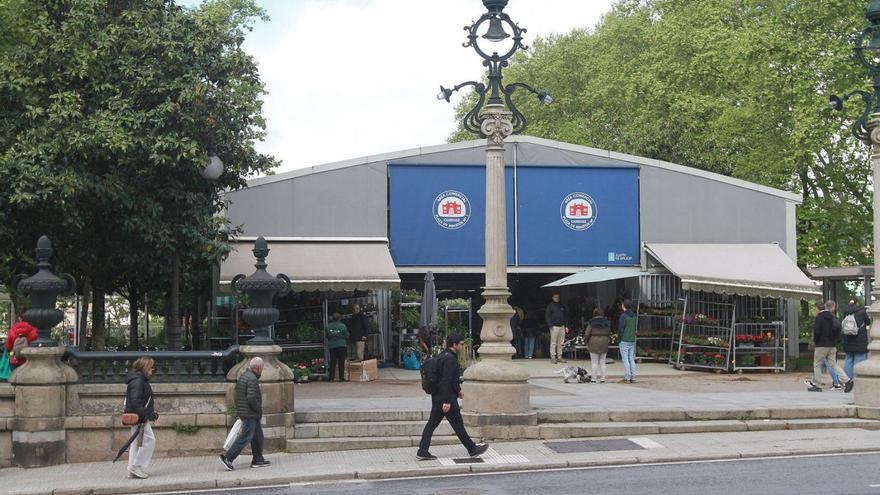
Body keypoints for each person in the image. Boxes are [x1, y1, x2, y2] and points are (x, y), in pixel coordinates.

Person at [416, 334, 489, 461]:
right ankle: (472, 449)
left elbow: (448, 379)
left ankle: (422, 451)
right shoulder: (450, 360)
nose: (463, 346)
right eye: (461, 344)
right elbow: (446, 381)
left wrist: (458, 390)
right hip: (446, 398)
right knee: (457, 425)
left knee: (432, 424)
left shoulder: (443, 356)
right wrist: (447, 401)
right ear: (454, 345)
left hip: (439, 396)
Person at [220, 357, 270, 470]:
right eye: (262, 368)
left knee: (258, 437)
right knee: (245, 437)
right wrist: (258, 409)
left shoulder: (245, 376)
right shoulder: (252, 379)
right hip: (250, 414)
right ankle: (228, 457)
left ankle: (258, 459)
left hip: (248, 413)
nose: (262, 370)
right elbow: (251, 398)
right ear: (258, 368)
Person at [124, 357, 159, 479]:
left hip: (139, 415)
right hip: (139, 416)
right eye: (151, 367)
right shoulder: (138, 381)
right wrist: (148, 415)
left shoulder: (138, 380)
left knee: (135, 443)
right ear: (145, 368)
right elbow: (136, 402)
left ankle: (131, 469)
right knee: (150, 441)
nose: (152, 370)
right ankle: (136, 466)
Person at [808, 301, 853, 393]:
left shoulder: (819, 318)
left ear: (818, 308)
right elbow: (838, 328)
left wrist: (816, 342)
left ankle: (818, 385)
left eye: (815, 309)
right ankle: (847, 380)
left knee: (817, 364)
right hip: (832, 345)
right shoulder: (832, 316)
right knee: (833, 364)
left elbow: (816, 332)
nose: (815, 311)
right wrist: (835, 340)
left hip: (821, 345)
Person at [843, 298, 871, 380]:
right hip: (860, 339)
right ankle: (857, 379)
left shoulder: (845, 311)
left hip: (848, 338)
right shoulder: (862, 311)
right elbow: (868, 322)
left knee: (848, 359)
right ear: (857, 303)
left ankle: (848, 380)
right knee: (859, 358)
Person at [584, 308, 611, 383]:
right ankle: (603, 378)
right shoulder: (607, 322)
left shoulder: (591, 322)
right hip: (604, 342)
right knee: (602, 362)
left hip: (593, 343)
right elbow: (609, 332)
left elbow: (587, 334)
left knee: (594, 362)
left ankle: (594, 378)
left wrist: (585, 341)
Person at [618, 299, 637, 383]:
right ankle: (633, 377)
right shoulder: (634, 316)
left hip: (624, 340)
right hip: (632, 340)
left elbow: (621, 329)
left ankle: (627, 377)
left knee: (625, 359)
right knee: (631, 359)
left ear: (624, 306)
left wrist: (619, 339)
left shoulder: (623, 316)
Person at [326, 313, 349, 381]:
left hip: (332, 345)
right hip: (342, 345)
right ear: (339, 318)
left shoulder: (328, 326)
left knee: (333, 361)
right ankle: (341, 378)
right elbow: (347, 335)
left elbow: (327, 336)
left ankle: (331, 378)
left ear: (332, 318)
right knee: (341, 362)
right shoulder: (343, 326)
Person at [545, 293, 567, 364]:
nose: (557, 298)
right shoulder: (550, 306)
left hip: (562, 326)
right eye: (555, 297)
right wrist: (550, 325)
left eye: (558, 297)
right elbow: (547, 316)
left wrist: (566, 326)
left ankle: (560, 357)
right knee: (553, 342)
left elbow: (566, 316)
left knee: (561, 343)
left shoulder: (561, 306)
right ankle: (553, 357)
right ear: (553, 298)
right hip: (554, 326)